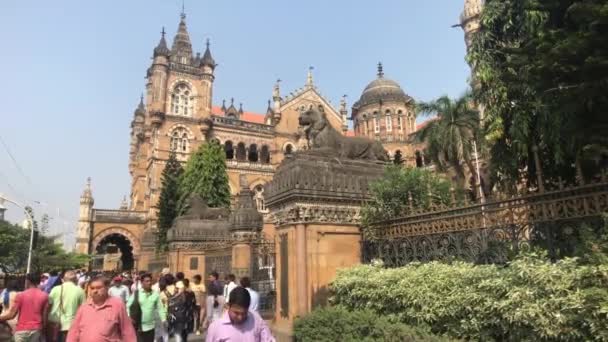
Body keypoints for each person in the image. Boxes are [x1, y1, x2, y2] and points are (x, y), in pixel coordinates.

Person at [67, 275, 136, 342]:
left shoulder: (117, 305)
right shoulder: (84, 308)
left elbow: (127, 331)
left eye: (99, 288)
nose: (95, 291)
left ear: (107, 288)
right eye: (92, 288)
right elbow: (74, 332)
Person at [206, 287, 275, 342]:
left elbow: (268, 339)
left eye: (244, 313)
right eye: (236, 313)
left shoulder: (256, 319)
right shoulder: (216, 327)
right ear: (228, 306)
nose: (240, 317)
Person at [0, 273, 49, 342]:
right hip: (36, 329)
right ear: (39, 281)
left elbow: (12, 314)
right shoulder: (45, 296)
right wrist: (43, 329)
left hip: (22, 329)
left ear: (28, 281)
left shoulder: (21, 295)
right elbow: (45, 315)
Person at [127, 273, 166, 342]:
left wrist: (163, 319)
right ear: (142, 283)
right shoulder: (136, 294)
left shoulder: (155, 294)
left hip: (150, 326)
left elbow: (160, 308)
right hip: (138, 326)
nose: (149, 283)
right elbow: (128, 306)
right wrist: (129, 317)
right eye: (147, 281)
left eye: (150, 281)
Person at [48, 271, 85, 342]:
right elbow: (83, 310)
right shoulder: (80, 291)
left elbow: (48, 305)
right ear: (76, 279)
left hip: (54, 323)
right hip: (70, 325)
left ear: (63, 279)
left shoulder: (55, 289)